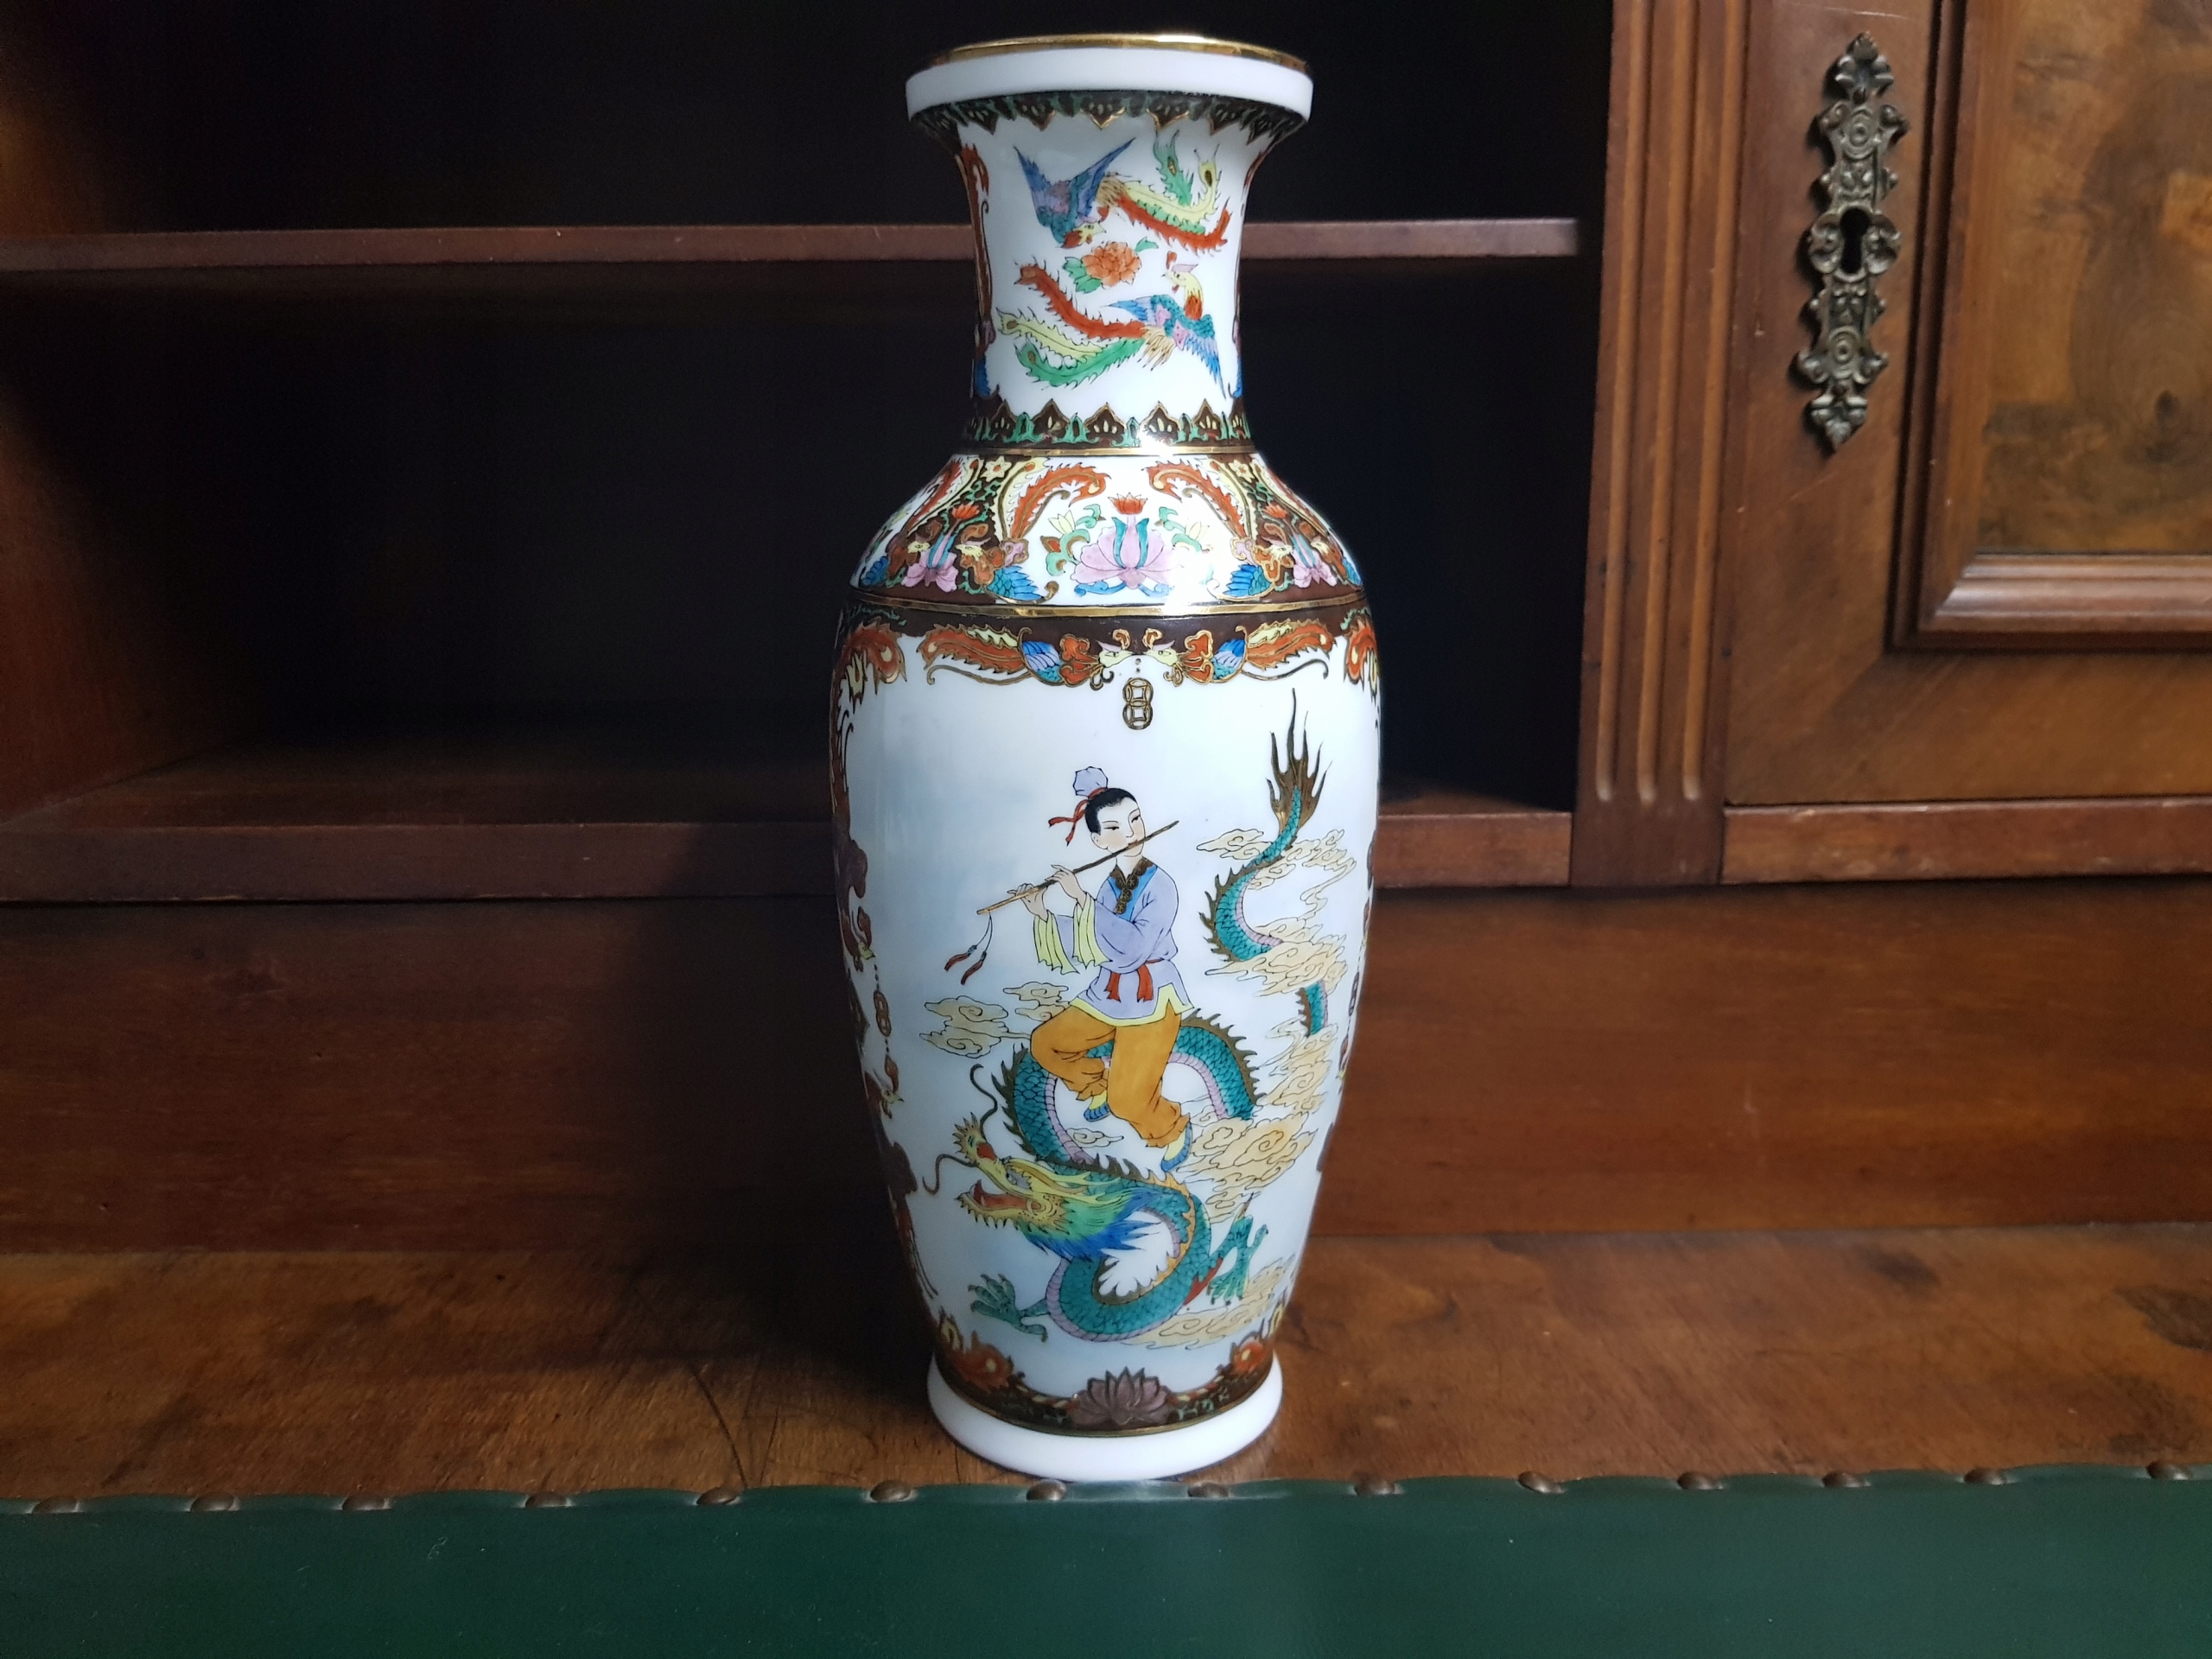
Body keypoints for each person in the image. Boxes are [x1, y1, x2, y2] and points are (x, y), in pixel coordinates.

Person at [1020, 768, 1193, 1169]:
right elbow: (1092, 941)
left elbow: (1132, 948)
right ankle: (1094, 1081)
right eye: (1115, 828)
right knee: (1046, 1043)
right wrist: (1043, 913)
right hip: (1110, 993)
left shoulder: (1160, 885)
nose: (1131, 833)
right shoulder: (1111, 886)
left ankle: (1170, 1128)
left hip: (1151, 998)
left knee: (1128, 1101)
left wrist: (1082, 900)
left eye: (1135, 820)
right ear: (1099, 841)